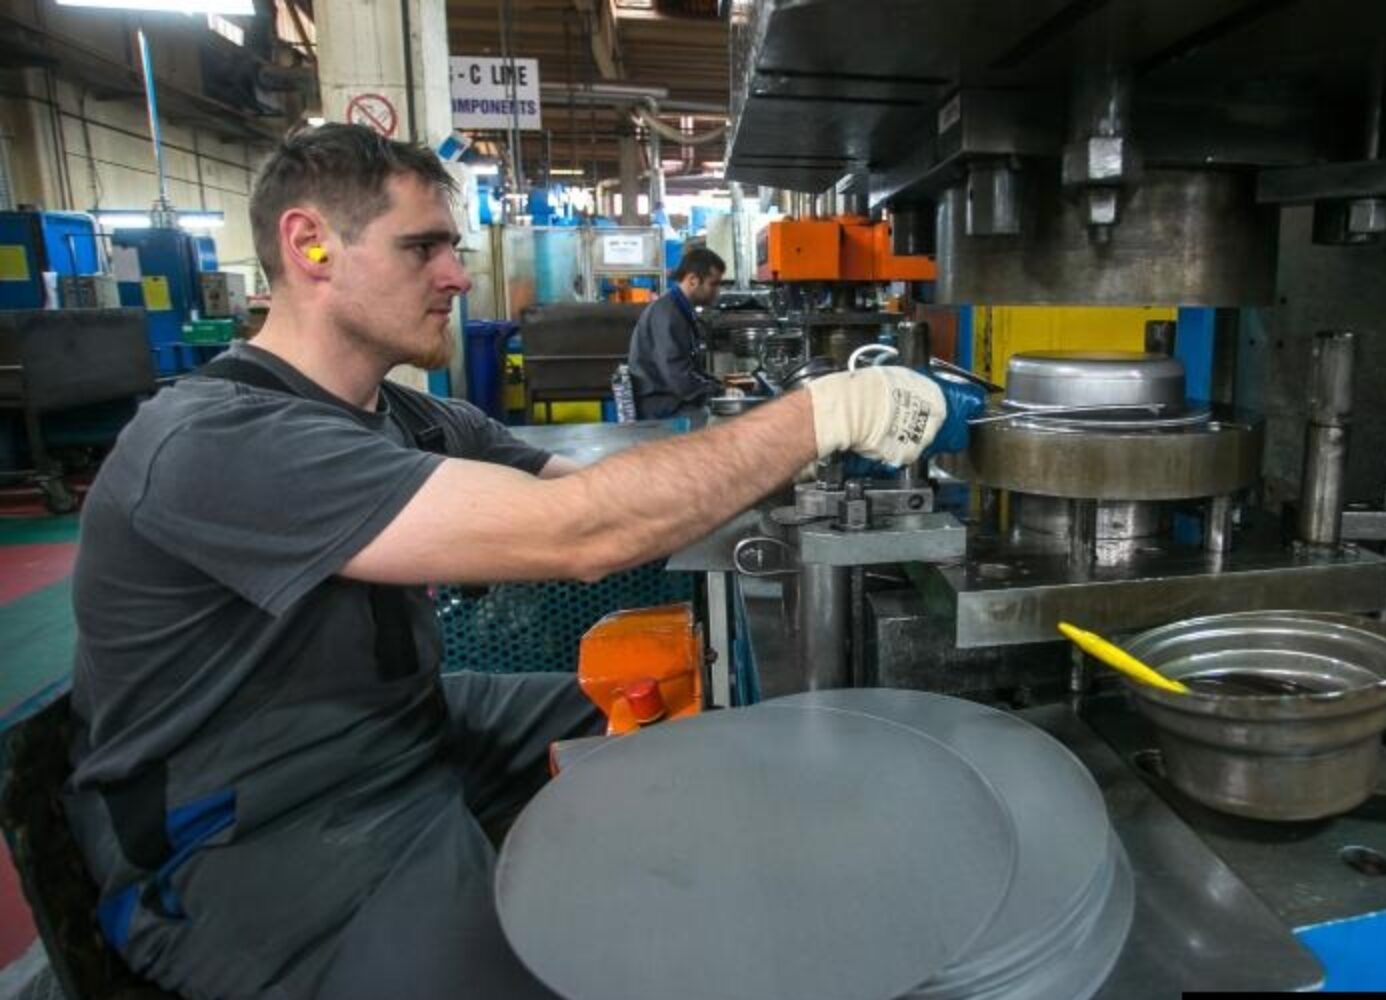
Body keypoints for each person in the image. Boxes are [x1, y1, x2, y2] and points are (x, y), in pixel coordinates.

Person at [61, 123, 950, 1000]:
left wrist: (797, 470)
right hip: (248, 827)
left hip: (404, 728)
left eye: (452, 248)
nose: (457, 276)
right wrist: (828, 413)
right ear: (310, 245)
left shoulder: (414, 420)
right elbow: (578, 532)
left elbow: (606, 498)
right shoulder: (216, 441)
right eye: (423, 248)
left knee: (688, 712)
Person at [626, 246, 725, 418]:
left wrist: (717, 385)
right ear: (693, 280)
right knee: (717, 421)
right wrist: (718, 392)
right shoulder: (668, 314)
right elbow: (677, 374)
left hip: (670, 396)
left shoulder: (680, 309)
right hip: (659, 403)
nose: (718, 291)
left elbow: (688, 367)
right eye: (714, 284)